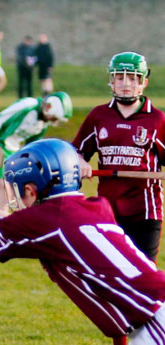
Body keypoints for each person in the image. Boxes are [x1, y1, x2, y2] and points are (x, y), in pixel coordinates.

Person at [0, 138, 165, 345]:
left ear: (32, 190)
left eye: (18, 190)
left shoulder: (49, 222)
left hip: (154, 319)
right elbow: (11, 223)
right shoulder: (88, 208)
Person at [72, 51, 165, 263]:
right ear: (111, 81)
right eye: (120, 77)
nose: (126, 84)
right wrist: (81, 162)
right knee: (109, 272)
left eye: (133, 78)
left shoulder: (157, 119)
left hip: (145, 212)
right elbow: (76, 152)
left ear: (144, 82)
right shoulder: (98, 116)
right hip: (107, 211)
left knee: (144, 276)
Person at [0, 91, 72, 211]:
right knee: (5, 195)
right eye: (54, 117)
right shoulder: (28, 105)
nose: (54, 121)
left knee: (17, 196)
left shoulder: (42, 124)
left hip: (13, 153)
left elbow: (30, 146)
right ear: (49, 107)